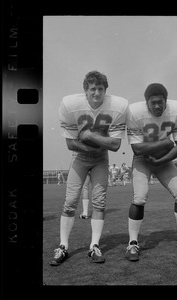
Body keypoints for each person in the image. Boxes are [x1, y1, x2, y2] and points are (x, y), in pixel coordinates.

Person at [50, 70, 128, 266]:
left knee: (99, 203)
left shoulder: (117, 106)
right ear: (85, 90)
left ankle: (94, 245)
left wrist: (90, 136)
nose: (96, 93)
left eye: (100, 89)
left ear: (105, 90)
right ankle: (63, 246)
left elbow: (116, 145)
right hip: (80, 158)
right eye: (92, 89)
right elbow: (70, 144)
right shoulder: (71, 105)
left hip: (101, 159)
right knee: (70, 201)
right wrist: (96, 145)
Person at [125, 83, 177, 261]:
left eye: (161, 102)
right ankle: (133, 243)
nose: (158, 106)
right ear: (146, 103)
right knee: (140, 198)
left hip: (164, 160)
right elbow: (137, 149)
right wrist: (165, 143)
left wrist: (161, 159)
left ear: (166, 101)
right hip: (143, 160)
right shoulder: (135, 113)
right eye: (153, 103)